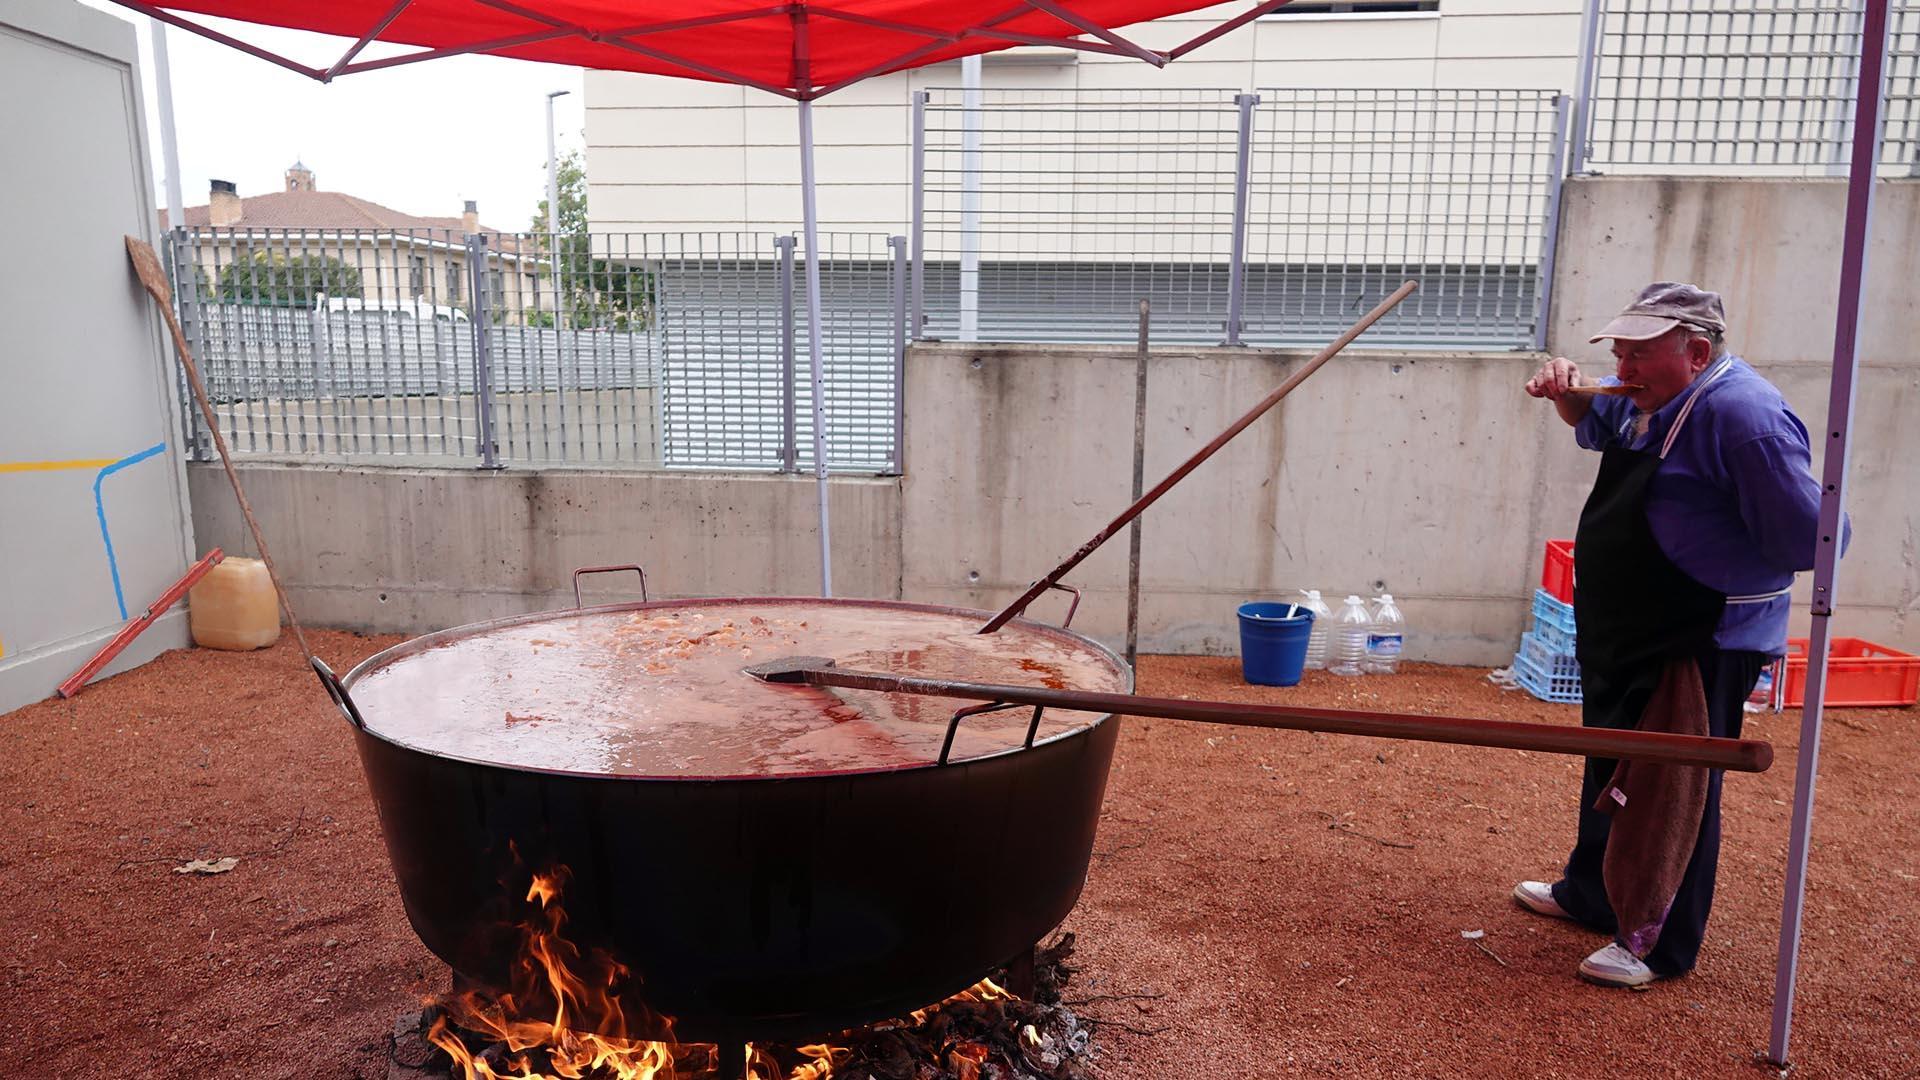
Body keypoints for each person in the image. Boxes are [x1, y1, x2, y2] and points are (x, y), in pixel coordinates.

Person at [1513, 281, 1837, 988]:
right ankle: (1595, 894)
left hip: (1701, 632)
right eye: (1619, 354)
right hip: (1628, 623)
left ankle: (1658, 942)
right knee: (1613, 763)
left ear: (1695, 351)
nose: (1622, 370)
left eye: (1638, 356)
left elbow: (1806, 535)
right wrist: (1568, 392)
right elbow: (1593, 425)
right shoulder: (1646, 398)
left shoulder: (1743, 417)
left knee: (1673, 783)